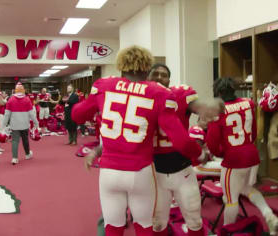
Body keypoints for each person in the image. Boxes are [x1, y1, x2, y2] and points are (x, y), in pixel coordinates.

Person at [71, 45, 205, 236]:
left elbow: (77, 115)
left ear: (121, 65)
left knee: (113, 227)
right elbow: (181, 141)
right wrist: (200, 153)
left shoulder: (104, 86)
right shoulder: (160, 93)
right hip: (141, 170)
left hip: (109, 170)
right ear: (146, 68)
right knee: (144, 227)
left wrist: (90, 101)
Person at [206, 78, 278, 235]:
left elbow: (212, 143)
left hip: (234, 158)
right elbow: (253, 131)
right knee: (247, 189)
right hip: (252, 154)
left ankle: (227, 230)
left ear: (218, 93)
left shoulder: (217, 110)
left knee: (230, 198)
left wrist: (221, 153)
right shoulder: (248, 103)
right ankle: (269, 214)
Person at [147, 64, 209, 236]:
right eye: (155, 74)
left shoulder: (181, 94)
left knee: (195, 219)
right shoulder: (141, 97)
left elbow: (201, 109)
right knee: (158, 223)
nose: (159, 77)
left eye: (164, 75)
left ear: (169, 80)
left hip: (183, 169)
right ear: (147, 77)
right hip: (155, 171)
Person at [3, 83, 39, 165]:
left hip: (14, 125)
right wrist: (36, 123)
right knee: (25, 140)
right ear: (23, 90)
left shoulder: (10, 100)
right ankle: (27, 154)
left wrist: (3, 125)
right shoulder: (27, 99)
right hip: (25, 124)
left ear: (15, 90)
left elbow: (7, 114)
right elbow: (32, 114)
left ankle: (14, 158)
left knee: (15, 141)